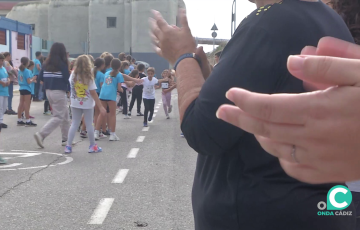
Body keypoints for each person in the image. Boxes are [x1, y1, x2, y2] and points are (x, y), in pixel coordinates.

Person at [150, 1, 355, 229]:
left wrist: (181, 57)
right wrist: (212, 82)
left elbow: (203, 129)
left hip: (257, 212)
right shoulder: (330, 19)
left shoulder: (268, 23)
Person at [65, 55, 106, 154]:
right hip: (87, 103)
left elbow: (71, 88)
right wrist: (100, 106)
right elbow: (93, 92)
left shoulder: (73, 74)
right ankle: (92, 145)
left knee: (74, 123)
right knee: (89, 124)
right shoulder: (88, 76)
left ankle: (68, 146)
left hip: (75, 102)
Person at [34, 42, 71, 148]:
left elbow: (40, 78)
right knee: (58, 116)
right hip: (59, 91)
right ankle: (41, 134)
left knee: (65, 116)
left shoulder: (46, 64)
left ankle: (66, 139)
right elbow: (67, 79)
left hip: (48, 91)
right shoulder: (63, 64)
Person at [95, 59, 124, 141]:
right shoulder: (119, 75)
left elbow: (105, 83)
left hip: (103, 94)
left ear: (111, 65)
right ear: (119, 66)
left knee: (102, 113)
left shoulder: (107, 73)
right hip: (111, 95)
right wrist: (122, 90)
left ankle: (96, 132)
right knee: (112, 114)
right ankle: (112, 134)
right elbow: (119, 88)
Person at [17, 57, 37, 127]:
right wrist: (33, 79)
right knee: (26, 105)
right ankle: (28, 120)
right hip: (27, 89)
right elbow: (29, 82)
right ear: (27, 63)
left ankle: (19, 119)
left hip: (21, 88)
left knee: (21, 104)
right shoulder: (27, 71)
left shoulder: (19, 70)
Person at [92, 57, 107, 139]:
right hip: (98, 94)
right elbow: (102, 86)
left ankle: (92, 129)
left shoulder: (92, 72)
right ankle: (98, 130)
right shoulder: (101, 75)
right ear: (102, 65)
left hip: (91, 93)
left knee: (95, 113)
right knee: (99, 113)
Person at [0, 54, 10, 129]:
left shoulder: (3, 68)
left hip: (5, 91)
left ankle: (1, 121)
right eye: (1, 60)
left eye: (3, 60)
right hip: (0, 91)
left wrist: (9, 80)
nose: (2, 62)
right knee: (0, 107)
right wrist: (1, 82)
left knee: (4, 107)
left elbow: (7, 76)